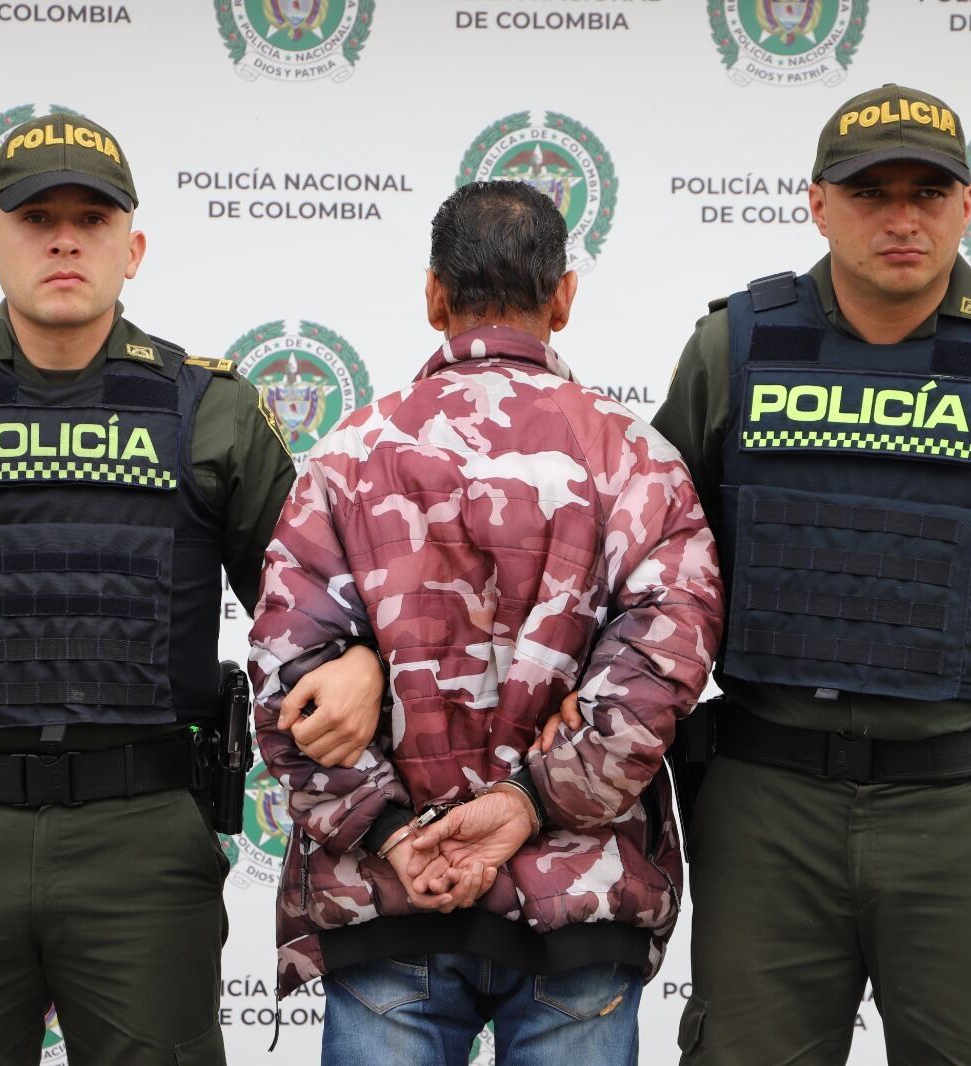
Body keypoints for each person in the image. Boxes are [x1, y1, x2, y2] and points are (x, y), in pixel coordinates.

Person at [0, 112, 384, 1066]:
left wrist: (361, 662)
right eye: (36, 216)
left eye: (91, 220)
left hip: (141, 838)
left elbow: (312, 606)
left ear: (131, 248)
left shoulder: (210, 411)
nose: (64, 238)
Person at [656, 84, 971, 1065]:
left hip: (960, 807)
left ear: (968, 206)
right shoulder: (735, 348)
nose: (900, 217)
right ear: (815, 203)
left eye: (927, 192)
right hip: (768, 803)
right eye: (869, 190)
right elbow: (663, 561)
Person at [248, 179, 724, 1066]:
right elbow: (663, 666)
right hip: (579, 907)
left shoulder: (345, 458)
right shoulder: (636, 460)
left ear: (434, 296)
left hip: (391, 907)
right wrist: (533, 800)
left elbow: (288, 686)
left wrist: (392, 836)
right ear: (564, 298)